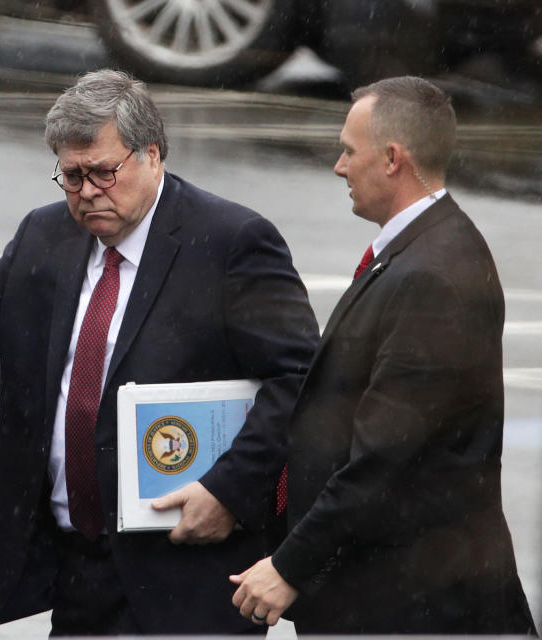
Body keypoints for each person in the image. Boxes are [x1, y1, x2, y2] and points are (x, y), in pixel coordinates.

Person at [0, 69, 318, 635]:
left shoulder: (230, 242)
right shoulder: (44, 236)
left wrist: (229, 489)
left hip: (186, 578)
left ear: (151, 154)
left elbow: (301, 377)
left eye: (103, 173)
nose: (86, 192)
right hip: (74, 568)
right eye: (71, 176)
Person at [230, 76, 537, 634]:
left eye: (349, 151)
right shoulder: (421, 250)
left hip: (412, 603)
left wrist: (290, 566)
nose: (338, 166)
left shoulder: (433, 275)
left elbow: (385, 456)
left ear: (393, 158)